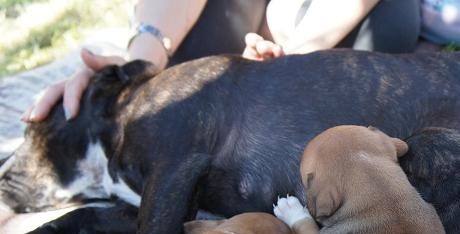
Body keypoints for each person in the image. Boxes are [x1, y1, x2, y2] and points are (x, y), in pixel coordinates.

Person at [22, 0, 421, 123]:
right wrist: (134, 74)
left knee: (388, 24)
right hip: (237, 37)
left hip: (324, 43)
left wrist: (287, 63)